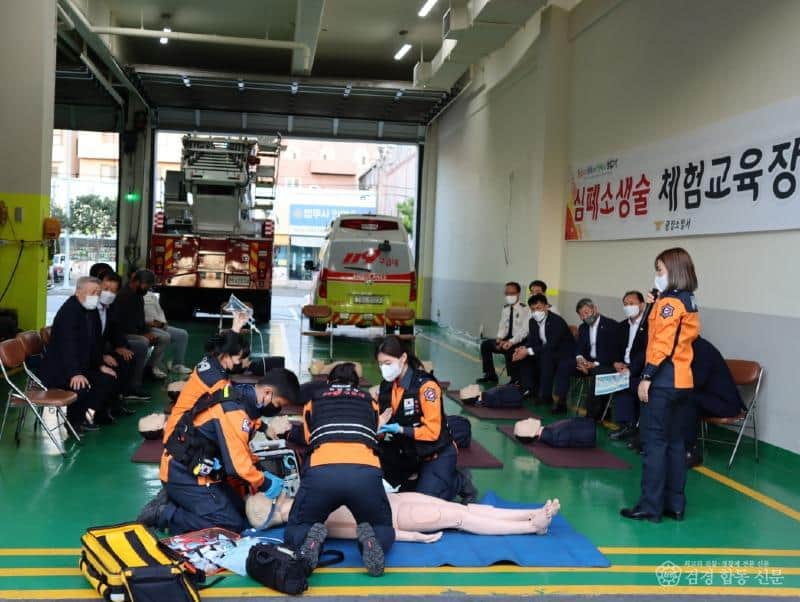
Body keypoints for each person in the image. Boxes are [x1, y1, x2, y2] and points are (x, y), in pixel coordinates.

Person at [138, 331, 300, 534]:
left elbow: (241, 441)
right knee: (230, 525)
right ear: (267, 393)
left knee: (240, 511)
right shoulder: (234, 410)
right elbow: (237, 466)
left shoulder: (242, 394)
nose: (277, 409)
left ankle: (176, 497)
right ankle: (164, 513)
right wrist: (265, 482)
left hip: (198, 465)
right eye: (278, 403)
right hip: (184, 470)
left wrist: (258, 466)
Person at [285, 363, 394, 577]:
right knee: (381, 526)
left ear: (328, 382)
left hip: (321, 472)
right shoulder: (369, 402)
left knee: (298, 525)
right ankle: (371, 542)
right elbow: (374, 434)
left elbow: (308, 438)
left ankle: (310, 541)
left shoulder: (314, 401)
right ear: (356, 384)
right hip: (365, 473)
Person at [621, 247, 700, 523]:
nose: (656, 275)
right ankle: (674, 504)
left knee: (654, 443)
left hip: (663, 381)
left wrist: (647, 376)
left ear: (674, 271)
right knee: (675, 444)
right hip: (682, 381)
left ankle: (650, 506)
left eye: (659, 270)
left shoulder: (670, 305)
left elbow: (663, 344)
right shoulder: (687, 300)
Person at [376, 336, 473, 502]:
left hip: (435, 453)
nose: (384, 368)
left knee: (425, 503)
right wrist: (378, 429)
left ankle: (459, 481)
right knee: (373, 460)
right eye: (380, 364)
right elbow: (383, 421)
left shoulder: (426, 387)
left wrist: (401, 429)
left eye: (388, 363)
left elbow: (433, 432)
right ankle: (415, 478)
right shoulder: (386, 386)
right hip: (408, 452)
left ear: (403, 358)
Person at [259, 491, 561, 541]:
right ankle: (530, 527)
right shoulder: (316, 518)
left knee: (462, 510)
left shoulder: (311, 496)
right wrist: (412, 536)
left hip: (399, 499)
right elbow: (359, 532)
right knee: (461, 519)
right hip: (402, 515)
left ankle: (531, 514)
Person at [39, 276, 118, 432]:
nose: (95, 296)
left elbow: (95, 343)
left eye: (98, 293)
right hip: (60, 369)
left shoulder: (90, 310)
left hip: (81, 365)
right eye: (92, 292)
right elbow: (67, 347)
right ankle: (74, 423)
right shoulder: (69, 312)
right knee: (81, 385)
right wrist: (74, 373)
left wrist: (100, 365)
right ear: (78, 292)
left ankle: (97, 414)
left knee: (107, 377)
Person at [684, 337, 745, 467]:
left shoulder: (702, 349)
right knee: (681, 399)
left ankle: (691, 451)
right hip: (711, 398)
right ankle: (679, 446)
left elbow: (697, 381)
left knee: (687, 400)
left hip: (726, 404)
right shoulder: (692, 347)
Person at [512, 294, 576, 414]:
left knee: (548, 359)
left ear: (546, 307)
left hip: (564, 353)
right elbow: (532, 341)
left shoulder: (557, 321)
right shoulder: (532, 322)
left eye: (539, 308)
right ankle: (531, 390)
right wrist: (522, 349)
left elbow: (552, 344)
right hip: (546, 351)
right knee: (524, 358)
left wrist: (528, 351)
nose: (536, 312)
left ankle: (559, 401)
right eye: (533, 309)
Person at [113, 269, 169, 388]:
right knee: (143, 342)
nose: (147, 289)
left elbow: (140, 318)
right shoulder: (123, 296)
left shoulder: (138, 295)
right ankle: (135, 382)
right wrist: (143, 334)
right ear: (137, 282)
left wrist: (146, 331)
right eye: (146, 285)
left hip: (137, 330)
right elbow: (122, 324)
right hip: (125, 332)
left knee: (164, 336)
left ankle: (150, 367)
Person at [575, 298, 624, 421]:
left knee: (598, 373)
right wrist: (581, 361)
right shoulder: (583, 328)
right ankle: (559, 402)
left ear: (595, 309)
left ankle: (592, 415)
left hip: (607, 363)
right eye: (581, 315)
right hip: (588, 362)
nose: (584, 317)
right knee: (566, 364)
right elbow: (579, 348)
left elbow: (613, 352)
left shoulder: (611, 325)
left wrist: (594, 364)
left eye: (586, 313)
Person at [95, 271, 136, 419]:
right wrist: (101, 357)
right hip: (88, 355)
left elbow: (114, 329)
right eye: (106, 289)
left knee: (127, 358)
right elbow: (85, 340)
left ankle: (116, 404)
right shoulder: (89, 307)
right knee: (108, 371)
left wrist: (120, 346)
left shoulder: (110, 307)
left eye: (113, 291)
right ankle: (101, 410)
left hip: (98, 351)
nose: (108, 293)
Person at [609, 291, 648, 441]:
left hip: (641, 370)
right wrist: (615, 362)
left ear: (642, 305)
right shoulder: (621, 326)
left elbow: (645, 353)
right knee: (611, 379)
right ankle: (626, 424)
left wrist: (630, 370)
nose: (628, 307)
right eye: (625, 304)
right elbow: (614, 348)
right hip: (622, 366)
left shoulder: (649, 326)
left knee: (623, 384)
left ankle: (629, 426)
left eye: (632, 303)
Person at [477, 282, 529, 385]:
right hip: (506, 339)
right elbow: (502, 325)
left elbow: (524, 331)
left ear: (518, 293)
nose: (509, 296)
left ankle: (515, 379)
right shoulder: (505, 308)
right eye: (507, 293)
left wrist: (510, 342)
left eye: (512, 293)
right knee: (485, 345)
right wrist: (499, 339)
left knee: (509, 348)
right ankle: (490, 374)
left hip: (518, 341)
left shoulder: (525, 309)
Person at [144, 290, 192, 375]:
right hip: (146, 327)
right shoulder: (134, 295)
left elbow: (160, 312)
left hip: (158, 326)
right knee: (164, 336)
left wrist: (164, 323)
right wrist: (156, 325)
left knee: (182, 334)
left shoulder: (151, 295)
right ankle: (152, 367)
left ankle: (177, 365)